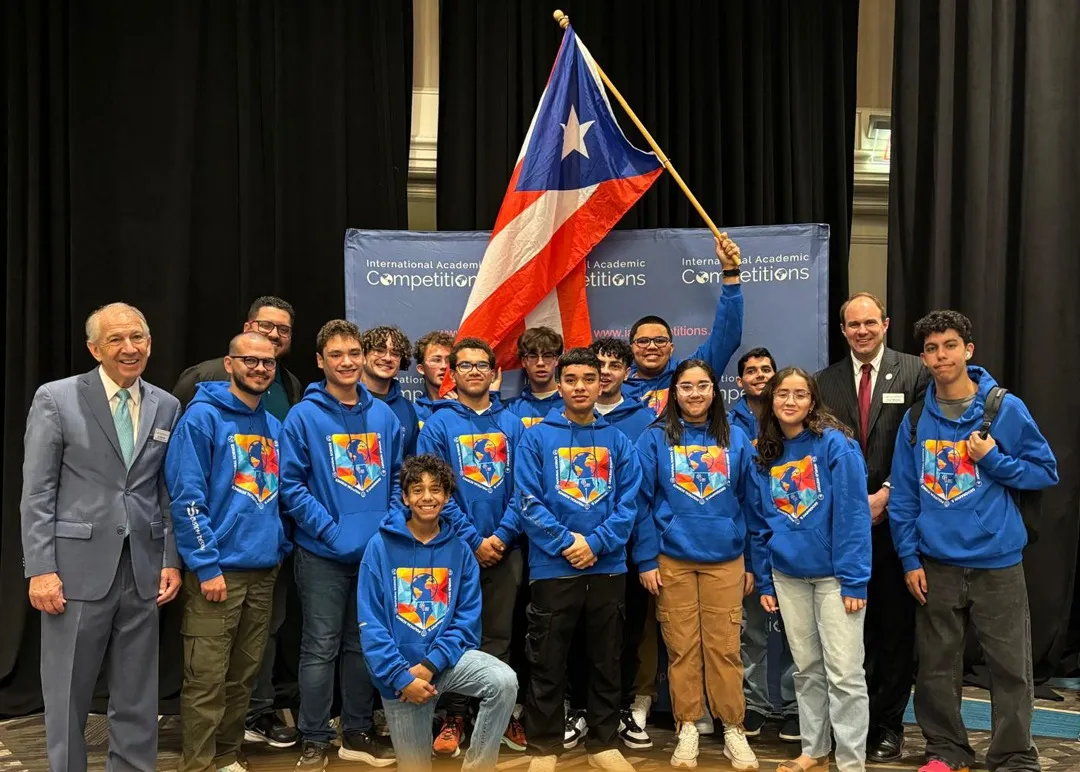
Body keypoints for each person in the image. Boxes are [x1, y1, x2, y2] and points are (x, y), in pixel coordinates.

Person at [888, 310, 1058, 772]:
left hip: (996, 562)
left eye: (949, 346)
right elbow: (903, 496)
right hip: (935, 563)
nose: (940, 356)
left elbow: (1045, 471)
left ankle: (1014, 756)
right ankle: (946, 751)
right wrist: (909, 559)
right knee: (936, 668)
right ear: (923, 358)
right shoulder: (916, 417)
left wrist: (994, 460)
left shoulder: (1003, 409)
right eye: (931, 349)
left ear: (968, 350)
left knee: (1010, 667)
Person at [21, 302, 183, 772]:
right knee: (67, 692)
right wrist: (41, 569)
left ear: (150, 344)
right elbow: (37, 493)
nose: (129, 348)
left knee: (138, 692)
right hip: (75, 572)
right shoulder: (56, 399)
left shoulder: (166, 405)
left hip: (144, 568)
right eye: (116, 339)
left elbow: (166, 489)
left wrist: (170, 558)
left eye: (137, 338)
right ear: (95, 349)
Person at [172, 295, 303, 749]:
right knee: (206, 680)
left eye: (267, 363)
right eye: (250, 360)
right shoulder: (201, 418)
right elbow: (187, 499)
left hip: (263, 570)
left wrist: (279, 546)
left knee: (243, 678)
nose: (260, 368)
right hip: (217, 572)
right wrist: (205, 565)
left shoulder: (273, 426)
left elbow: (279, 497)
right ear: (230, 364)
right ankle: (198, 763)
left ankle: (228, 756)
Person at [279, 320, 402, 769]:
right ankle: (314, 736)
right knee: (320, 646)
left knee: (362, 645)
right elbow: (291, 486)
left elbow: (397, 481)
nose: (347, 362)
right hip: (321, 556)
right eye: (336, 355)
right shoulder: (303, 416)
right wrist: (331, 533)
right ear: (320, 361)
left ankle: (356, 731)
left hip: (373, 555)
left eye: (353, 353)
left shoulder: (384, 416)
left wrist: (387, 530)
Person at [814, 292, 929, 762]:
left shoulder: (916, 372)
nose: (861, 331)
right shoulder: (824, 382)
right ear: (843, 330)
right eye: (853, 325)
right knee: (849, 634)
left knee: (894, 630)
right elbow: (817, 452)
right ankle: (849, 727)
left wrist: (886, 493)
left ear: (885, 324)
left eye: (869, 323)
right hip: (842, 527)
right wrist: (851, 504)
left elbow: (922, 441)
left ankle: (886, 725)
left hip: (896, 521)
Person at [516, 348, 643, 772]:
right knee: (547, 661)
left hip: (607, 567)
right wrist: (567, 541)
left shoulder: (618, 441)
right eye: (571, 379)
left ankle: (603, 743)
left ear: (600, 383)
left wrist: (597, 543)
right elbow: (527, 500)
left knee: (606, 660)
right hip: (553, 568)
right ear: (560, 383)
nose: (580, 387)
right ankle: (544, 747)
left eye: (589, 379)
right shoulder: (536, 438)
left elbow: (629, 504)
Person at [633, 359, 759, 771]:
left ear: (714, 391)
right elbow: (640, 503)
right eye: (686, 386)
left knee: (725, 647)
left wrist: (752, 562)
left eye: (703, 386)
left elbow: (751, 503)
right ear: (675, 392)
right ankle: (687, 724)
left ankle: (733, 728)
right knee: (681, 647)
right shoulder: (654, 438)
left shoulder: (736, 437)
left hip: (726, 558)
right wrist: (646, 558)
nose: (695, 394)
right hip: (672, 559)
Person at [357, 454, 519, 772]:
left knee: (504, 681)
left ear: (446, 497)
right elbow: (370, 624)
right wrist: (401, 677)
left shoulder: (460, 550)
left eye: (435, 489)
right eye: (417, 490)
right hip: (401, 677)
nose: (427, 497)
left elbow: (466, 621)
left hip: (444, 664)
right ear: (406, 498)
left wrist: (431, 665)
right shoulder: (379, 547)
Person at [747, 367, 872, 772]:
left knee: (845, 674)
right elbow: (760, 525)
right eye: (782, 393)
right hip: (788, 576)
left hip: (836, 577)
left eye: (800, 394)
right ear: (771, 401)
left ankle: (851, 762)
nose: (790, 401)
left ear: (812, 401)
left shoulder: (836, 445)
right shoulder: (764, 453)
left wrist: (855, 579)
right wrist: (765, 580)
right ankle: (815, 750)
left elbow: (854, 515)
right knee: (807, 669)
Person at [416, 337, 527, 755]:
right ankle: (454, 716)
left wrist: (501, 536)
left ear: (495, 373)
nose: (475, 372)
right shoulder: (438, 425)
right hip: (455, 550)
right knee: (453, 634)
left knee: (499, 634)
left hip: (506, 547)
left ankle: (494, 716)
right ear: (453, 374)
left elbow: (525, 488)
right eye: (465, 365)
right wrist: (473, 540)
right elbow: (434, 492)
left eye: (482, 365)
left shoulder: (512, 424)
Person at [588, 337, 658, 750]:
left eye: (615, 366)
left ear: (627, 373)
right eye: (599, 365)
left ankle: (626, 708)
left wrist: (644, 552)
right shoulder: (567, 416)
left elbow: (646, 492)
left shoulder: (646, 420)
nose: (606, 373)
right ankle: (584, 710)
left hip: (629, 545)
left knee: (629, 633)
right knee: (585, 633)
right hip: (579, 549)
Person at [729, 348, 799, 742]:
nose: (759, 375)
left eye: (766, 369)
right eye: (751, 371)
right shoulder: (727, 424)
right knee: (752, 631)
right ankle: (752, 705)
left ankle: (793, 707)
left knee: (795, 633)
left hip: (793, 541)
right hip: (749, 543)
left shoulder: (793, 422)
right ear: (739, 381)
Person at [624, 234, 743, 415]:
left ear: (671, 348)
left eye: (660, 340)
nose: (652, 346)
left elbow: (727, 335)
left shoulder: (691, 374)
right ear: (631, 348)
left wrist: (730, 271)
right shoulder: (615, 384)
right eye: (643, 341)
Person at [360, 324, 420, 456]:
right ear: (363, 356)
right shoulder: (347, 401)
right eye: (379, 350)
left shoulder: (407, 409)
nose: (387, 358)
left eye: (395, 353)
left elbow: (412, 461)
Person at [505, 326, 564, 427]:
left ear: (557, 360)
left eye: (547, 356)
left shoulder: (571, 403)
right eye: (533, 356)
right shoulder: (511, 408)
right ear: (523, 361)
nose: (540, 363)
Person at [414, 330, 455, 424]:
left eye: (449, 360)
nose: (444, 366)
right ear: (421, 369)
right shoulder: (413, 412)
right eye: (436, 360)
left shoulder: (467, 406)